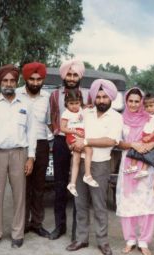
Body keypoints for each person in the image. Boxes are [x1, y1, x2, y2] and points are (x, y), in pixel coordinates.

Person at [0, 64, 37, 249]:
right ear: (0, 82)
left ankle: (17, 234)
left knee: (19, 196)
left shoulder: (26, 104)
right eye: (5, 80)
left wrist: (31, 157)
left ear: (16, 82)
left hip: (19, 154)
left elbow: (32, 132)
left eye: (12, 80)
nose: (9, 83)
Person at [66, 79, 123, 255]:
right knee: (80, 202)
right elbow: (73, 129)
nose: (101, 100)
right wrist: (73, 144)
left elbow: (111, 140)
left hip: (100, 164)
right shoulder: (86, 112)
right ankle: (81, 239)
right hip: (79, 161)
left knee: (99, 204)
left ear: (111, 98)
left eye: (105, 97)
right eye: (98, 97)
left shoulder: (116, 117)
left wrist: (87, 142)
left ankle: (103, 241)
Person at [115, 87, 154, 255]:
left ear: (142, 102)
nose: (134, 104)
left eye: (137, 101)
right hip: (128, 164)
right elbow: (116, 142)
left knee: (147, 202)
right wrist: (132, 145)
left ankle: (143, 241)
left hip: (146, 166)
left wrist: (152, 144)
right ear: (126, 102)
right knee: (128, 201)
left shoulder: (149, 118)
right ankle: (130, 240)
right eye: (131, 101)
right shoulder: (120, 119)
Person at [48, 59, 89, 240]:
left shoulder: (87, 96)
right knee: (60, 185)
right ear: (64, 75)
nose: (71, 78)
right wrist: (60, 136)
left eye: (75, 75)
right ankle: (60, 226)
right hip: (61, 142)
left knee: (78, 185)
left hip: (80, 143)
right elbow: (51, 120)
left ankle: (76, 231)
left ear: (80, 76)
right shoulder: (55, 95)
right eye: (69, 74)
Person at [16, 62, 51, 238]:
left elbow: (53, 120)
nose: (36, 82)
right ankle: (21, 224)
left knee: (39, 186)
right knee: (22, 186)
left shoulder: (47, 97)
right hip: (21, 145)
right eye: (32, 79)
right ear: (26, 78)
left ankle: (36, 223)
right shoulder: (16, 95)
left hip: (42, 144)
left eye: (39, 79)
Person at [61, 89, 98, 197]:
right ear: (66, 103)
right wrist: (74, 131)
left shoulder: (81, 109)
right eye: (71, 103)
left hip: (80, 134)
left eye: (76, 103)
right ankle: (87, 174)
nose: (74, 106)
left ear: (80, 102)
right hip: (73, 135)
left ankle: (72, 183)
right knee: (88, 149)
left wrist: (87, 106)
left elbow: (85, 108)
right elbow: (62, 128)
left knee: (76, 159)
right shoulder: (66, 113)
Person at [124, 92, 154, 179]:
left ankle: (143, 169)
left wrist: (151, 140)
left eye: (137, 101)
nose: (148, 108)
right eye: (146, 106)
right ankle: (134, 165)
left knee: (147, 151)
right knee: (136, 146)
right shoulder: (148, 115)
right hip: (125, 159)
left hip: (151, 136)